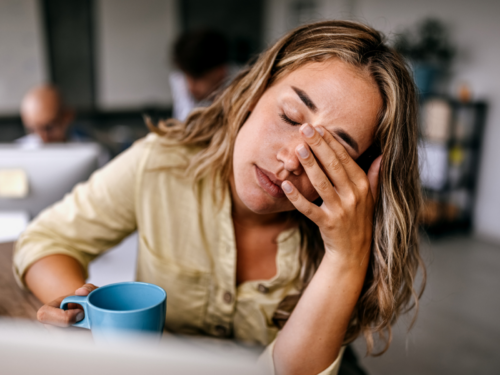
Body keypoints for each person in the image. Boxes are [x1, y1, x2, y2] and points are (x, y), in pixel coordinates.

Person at [14, 21, 425, 375]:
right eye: (289, 117)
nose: (291, 161)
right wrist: (88, 320)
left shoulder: (349, 234)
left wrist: (345, 258)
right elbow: (45, 240)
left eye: (332, 152)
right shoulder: (161, 165)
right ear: (253, 92)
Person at [169, 29, 236, 121]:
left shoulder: (243, 83)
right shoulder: (180, 79)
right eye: (187, 76)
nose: (190, 86)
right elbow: (183, 123)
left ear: (220, 71)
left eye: (197, 78)